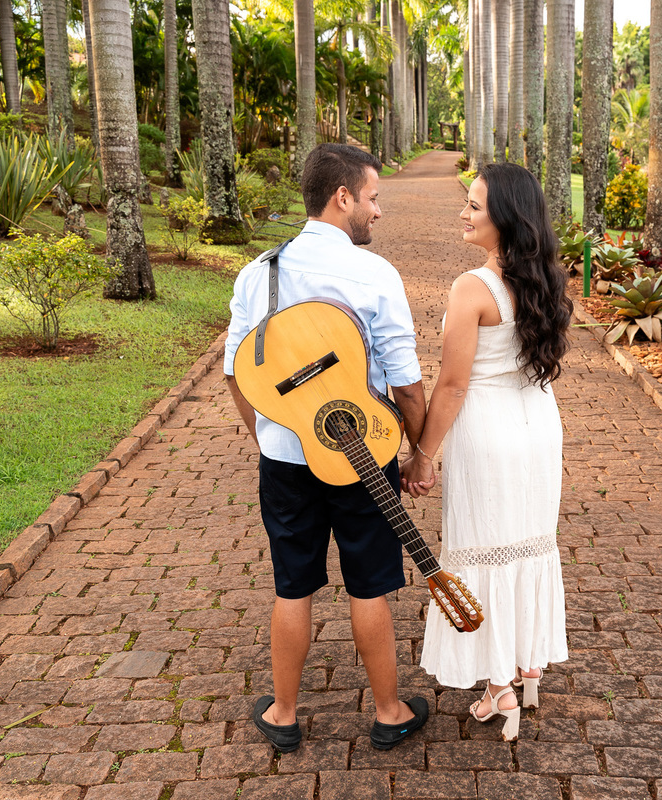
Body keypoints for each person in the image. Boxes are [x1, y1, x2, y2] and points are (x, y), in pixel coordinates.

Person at [224, 143, 430, 752]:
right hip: (363, 457)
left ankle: (284, 713)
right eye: (373, 198)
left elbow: (238, 373)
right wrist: (418, 451)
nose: (377, 212)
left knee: (293, 585)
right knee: (368, 585)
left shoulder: (257, 271)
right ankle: (389, 712)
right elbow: (406, 384)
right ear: (343, 198)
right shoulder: (373, 274)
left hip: (287, 459)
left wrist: (269, 431)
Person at [401, 162, 572, 741]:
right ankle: (527, 666)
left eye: (474, 205)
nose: (464, 213)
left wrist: (423, 454)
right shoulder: (548, 278)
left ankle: (500, 689)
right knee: (526, 546)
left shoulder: (473, 287)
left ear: (505, 216)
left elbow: (452, 386)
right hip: (541, 430)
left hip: (490, 437)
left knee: (483, 548)